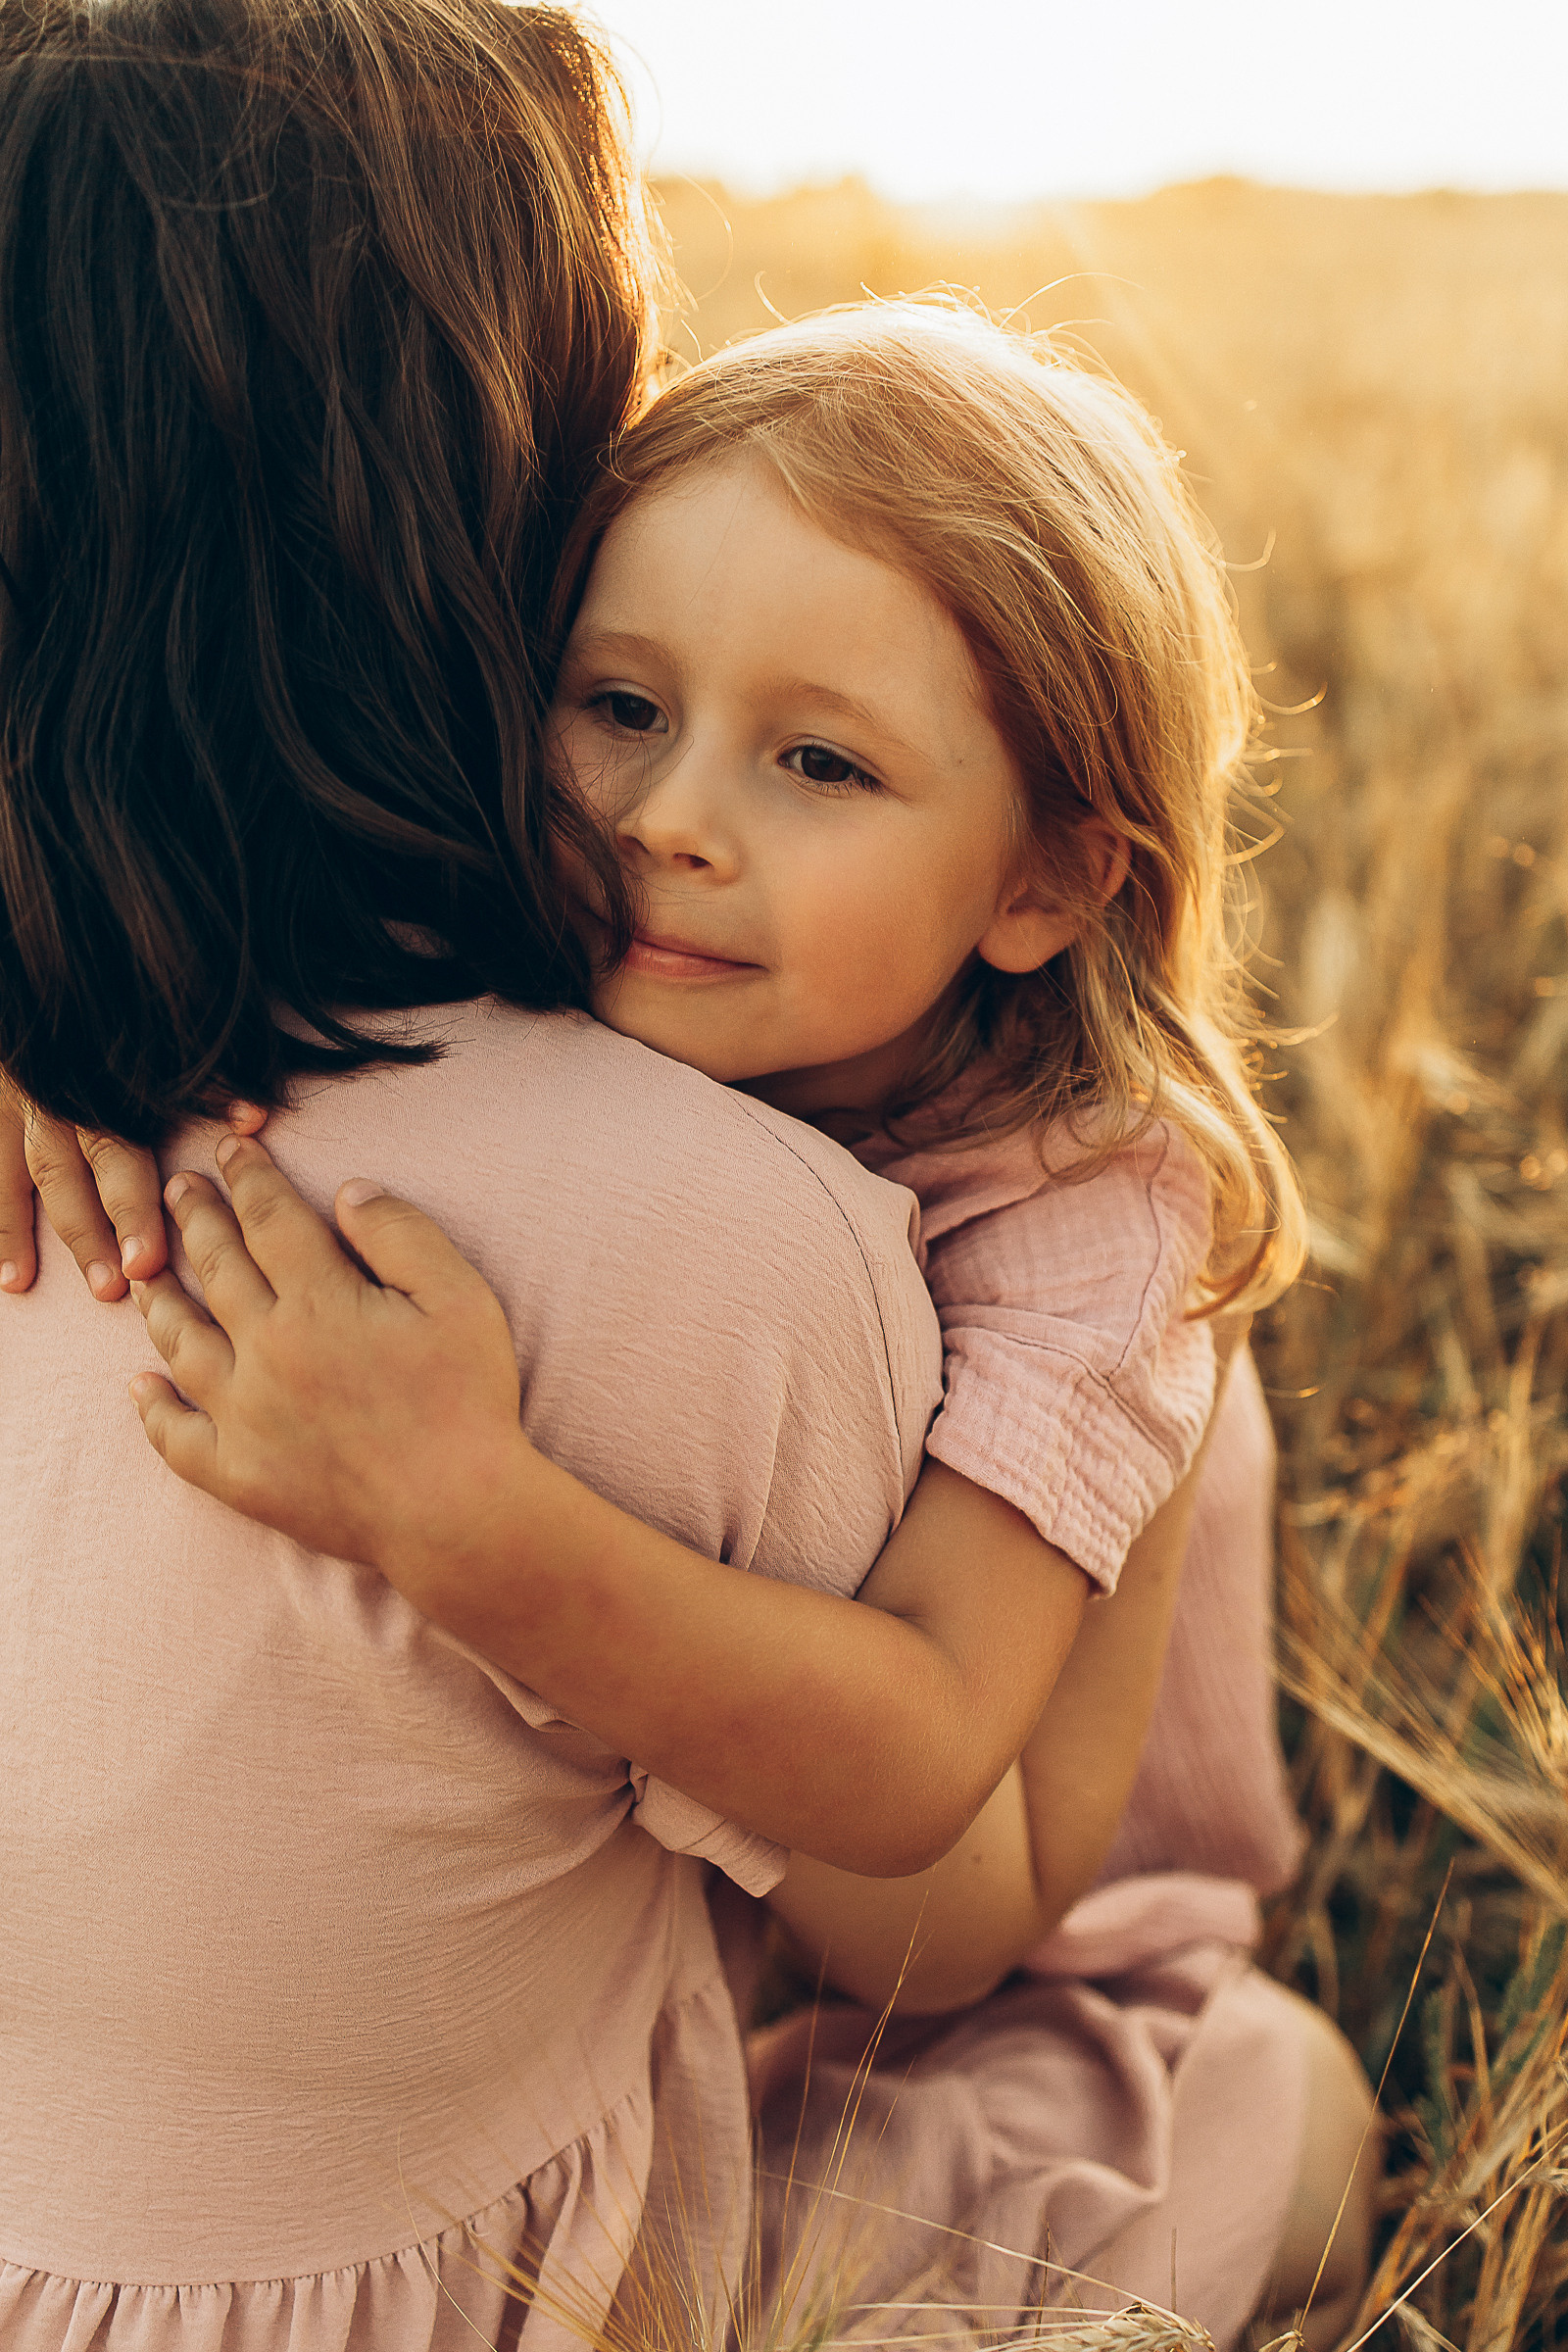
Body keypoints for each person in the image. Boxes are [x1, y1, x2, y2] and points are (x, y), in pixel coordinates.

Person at [11, 308, 1378, 2348]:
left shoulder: (1097, 1223)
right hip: (675, 1945)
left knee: (1284, 2103)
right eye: (617, 703)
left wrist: (472, 1526)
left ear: (1040, 881)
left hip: (969, 1941)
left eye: (816, 760)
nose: (668, 813)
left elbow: (937, 1839)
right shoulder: (625, 960)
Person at [0, 12, 968, 2347]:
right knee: (1235, 2085)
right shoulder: (738, 1246)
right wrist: (1141, 1351)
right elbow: (910, 1920)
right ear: (530, 475)